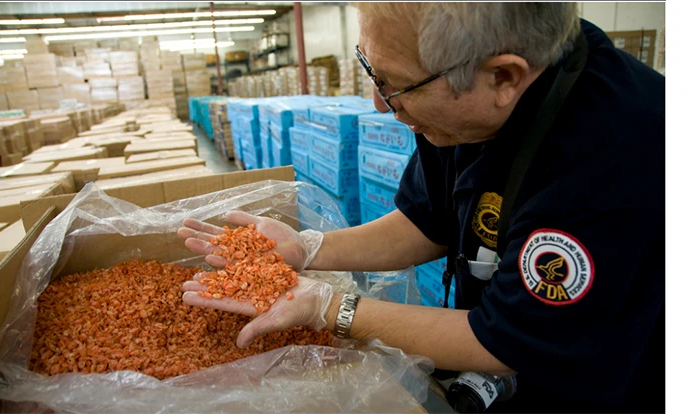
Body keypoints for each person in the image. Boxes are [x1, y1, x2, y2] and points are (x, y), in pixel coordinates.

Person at [177, 2, 665, 412]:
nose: (379, 104)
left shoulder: (612, 153)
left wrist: (330, 307)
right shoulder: (463, 101)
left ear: (503, 77)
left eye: (394, 85)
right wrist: (310, 247)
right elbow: (427, 220)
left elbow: (504, 338)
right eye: (372, 72)